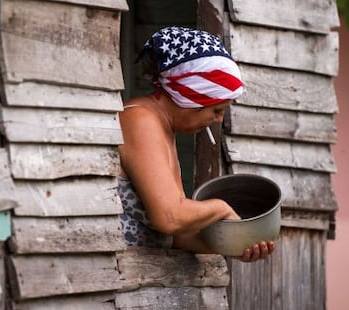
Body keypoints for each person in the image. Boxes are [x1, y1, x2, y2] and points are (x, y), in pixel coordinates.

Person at [117, 26, 274, 262]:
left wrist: (236, 243)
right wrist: (220, 207)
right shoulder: (140, 120)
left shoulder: (163, 128)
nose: (218, 119)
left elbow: (178, 236)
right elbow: (169, 216)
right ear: (191, 96)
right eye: (217, 109)